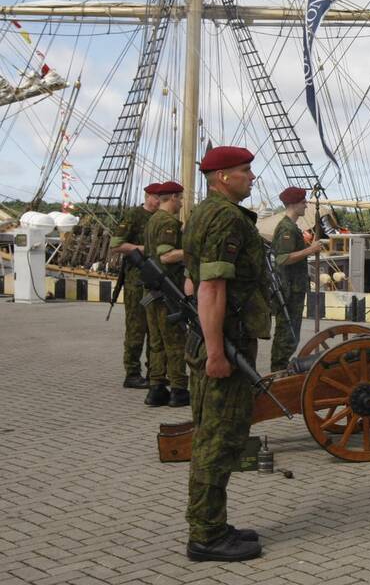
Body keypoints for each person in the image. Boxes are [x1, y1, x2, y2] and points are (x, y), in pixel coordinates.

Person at [182, 146, 270, 562]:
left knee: (216, 435)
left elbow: (191, 277)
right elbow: (211, 288)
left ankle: (213, 523)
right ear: (222, 178)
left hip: (222, 339)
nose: (251, 177)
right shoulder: (225, 219)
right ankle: (206, 536)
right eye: (244, 171)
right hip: (224, 345)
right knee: (217, 440)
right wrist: (216, 351)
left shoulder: (204, 213)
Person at [143, 180, 190, 407]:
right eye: (180, 198)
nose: (181, 202)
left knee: (156, 342)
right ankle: (179, 389)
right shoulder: (168, 223)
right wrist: (192, 251)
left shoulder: (152, 220)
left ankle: (156, 387)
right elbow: (166, 255)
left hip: (154, 289)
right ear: (172, 197)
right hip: (169, 288)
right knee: (174, 341)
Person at [109, 182, 161, 389]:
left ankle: (154, 372)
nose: (159, 201)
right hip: (135, 281)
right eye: (157, 197)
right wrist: (144, 249)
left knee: (154, 328)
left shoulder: (160, 218)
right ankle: (132, 372)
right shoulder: (134, 216)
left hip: (155, 280)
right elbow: (117, 244)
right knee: (136, 328)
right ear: (148, 195)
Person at [269, 186, 323, 371]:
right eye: (302, 202)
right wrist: (310, 250)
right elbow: (282, 258)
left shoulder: (292, 227)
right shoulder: (286, 228)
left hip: (295, 288)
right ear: (292, 204)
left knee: (292, 334)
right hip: (289, 290)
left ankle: (280, 369)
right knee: (287, 334)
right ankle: (278, 371)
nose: (305, 206)